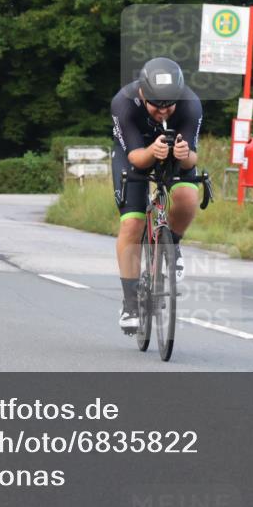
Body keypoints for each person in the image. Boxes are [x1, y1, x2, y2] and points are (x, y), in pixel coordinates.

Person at [110, 57, 202, 334]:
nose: (163, 113)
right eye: (156, 107)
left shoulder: (191, 103)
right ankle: (129, 303)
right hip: (135, 154)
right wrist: (153, 152)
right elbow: (137, 157)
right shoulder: (124, 103)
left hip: (175, 154)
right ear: (142, 94)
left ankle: (171, 244)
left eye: (169, 107)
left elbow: (192, 157)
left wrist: (184, 156)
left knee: (187, 196)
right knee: (132, 224)